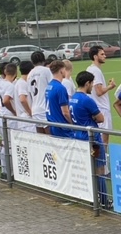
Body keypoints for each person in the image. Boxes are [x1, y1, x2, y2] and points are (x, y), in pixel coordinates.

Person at [69, 71, 109, 208]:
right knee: (99, 169)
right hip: (92, 140)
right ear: (87, 83)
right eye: (92, 83)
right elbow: (100, 118)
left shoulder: (72, 98)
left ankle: (92, 197)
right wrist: (92, 118)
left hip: (79, 137)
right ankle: (103, 200)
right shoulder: (87, 100)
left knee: (87, 167)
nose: (92, 86)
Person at [0, 63, 18, 179]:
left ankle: (4, 171)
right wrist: (14, 111)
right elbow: (6, 101)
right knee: (9, 144)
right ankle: (9, 173)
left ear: (5, 72)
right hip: (8, 117)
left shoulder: (0, 84)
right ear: (15, 73)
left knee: (5, 143)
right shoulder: (10, 86)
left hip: (0, 116)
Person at [87, 45, 116, 147]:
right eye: (102, 54)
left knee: (97, 140)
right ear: (95, 56)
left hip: (96, 107)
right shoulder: (96, 71)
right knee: (104, 141)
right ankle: (103, 157)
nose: (105, 56)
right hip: (102, 108)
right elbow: (99, 91)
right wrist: (110, 86)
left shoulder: (90, 69)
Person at [45, 60, 73, 138]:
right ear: (61, 70)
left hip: (52, 124)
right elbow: (65, 112)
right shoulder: (60, 88)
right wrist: (74, 124)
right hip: (62, 127)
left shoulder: (49, 86)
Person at [28, 51, 52, 134]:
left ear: (32, 61)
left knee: (41, 139)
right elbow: (53, 86)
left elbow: (30, 92)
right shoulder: (46, 71)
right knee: (51, 138)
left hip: (35, 109)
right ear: (44, 60)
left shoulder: (30, 74)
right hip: (45, 108)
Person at [12, 61, 36, 132]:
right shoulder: (22, 83)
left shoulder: (23, 82)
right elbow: (22, 99)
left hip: (25, 120)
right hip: (27, 119)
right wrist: (30, 113)